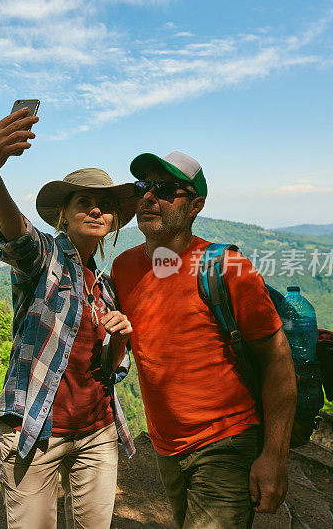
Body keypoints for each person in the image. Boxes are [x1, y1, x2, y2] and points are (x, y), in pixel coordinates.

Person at [110, 151, 297, 529]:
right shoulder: (124, 266)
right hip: (166, 447)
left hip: (226, 443)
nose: (148, 197)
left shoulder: (228, 268)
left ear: (195, 205)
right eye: (143, 186)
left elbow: (278, 361)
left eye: (164, 189)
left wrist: (275, 456)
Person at [0, 107, 138, 529]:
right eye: (84, 201)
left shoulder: (104, 287)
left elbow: (107, 370)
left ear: (115, 220)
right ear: (62, 214)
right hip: (35, 429)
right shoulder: (45, 257)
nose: (97, 210)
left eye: (106, 204)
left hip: (98, 433)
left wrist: (120, 342)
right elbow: (16, 233)